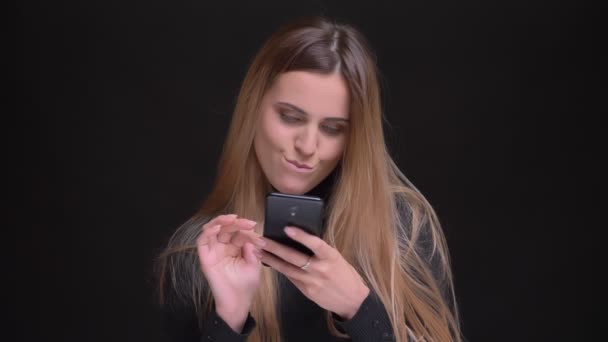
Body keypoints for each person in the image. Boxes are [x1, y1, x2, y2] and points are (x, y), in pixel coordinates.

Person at [155, 16, 462, 342]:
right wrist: (228, 320)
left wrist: (359, 308)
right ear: (253, 107)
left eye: (332, 128)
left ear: (354, 137)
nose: (306, 147)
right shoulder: (199, 255)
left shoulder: (403, 229)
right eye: (290, 117)